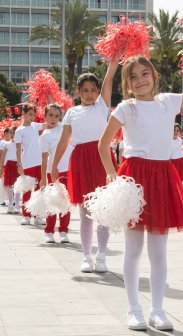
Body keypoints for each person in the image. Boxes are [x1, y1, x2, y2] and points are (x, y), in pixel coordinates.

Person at [98, 53, 183, 331]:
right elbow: (103, 144)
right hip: (134, 179)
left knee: (159, 252)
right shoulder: (126, 108)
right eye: (133, 76)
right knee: (133, 249)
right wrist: (112, 174)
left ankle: (157, 310)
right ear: (127, 83)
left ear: (155, 76)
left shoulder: (168, 101)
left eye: (145, 73)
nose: (140, 79)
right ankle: (133, 309)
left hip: (162, 176)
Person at [51, 58, 118, 273]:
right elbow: (63, 141)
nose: (90, 94)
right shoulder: (71, 113)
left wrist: (114, 61)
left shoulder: (102, 106)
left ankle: (102, 256)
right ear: (78, 92)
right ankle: (87, 256)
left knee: (103, 210)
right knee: (85, 212)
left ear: (98, 92)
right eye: (85, 90)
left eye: (93, 90)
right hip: (80, 161)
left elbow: (109, 79)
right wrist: (54, 165)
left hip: (102, 158)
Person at [40, 103, 73, 244]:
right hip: (53, 172)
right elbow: (43, 159)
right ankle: (49, 231)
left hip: (68, 170)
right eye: (50, 115)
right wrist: (43, 179)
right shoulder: (45, 135)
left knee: (66, 202)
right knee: (52, 201)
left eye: (57, 116)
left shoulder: (63, 128)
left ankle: (64, 230)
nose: (54, 118)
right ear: (45, 117)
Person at [14, 103, 45, 225]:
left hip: (40, 163)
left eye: (34, 115)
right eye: (30, 114)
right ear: (24, 114)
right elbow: (17, 148)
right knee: (27, 190)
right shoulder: (19, 130)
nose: (32, 117)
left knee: (39, 190)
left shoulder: (36, 126)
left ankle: (37, 215)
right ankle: (26, 215)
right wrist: (19, 164)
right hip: (27, 163)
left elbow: (48, 124)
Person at [0, 126, 20, 213]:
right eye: (11, 133)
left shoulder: (20, 144)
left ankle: (17, 206)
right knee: (9, 186)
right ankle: (10, 205)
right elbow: (3, 157)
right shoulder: (6, 144)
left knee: (18, 186)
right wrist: (1, 168)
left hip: (17, 165)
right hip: (8, 165)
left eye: (14, 133)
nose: (12, 135)